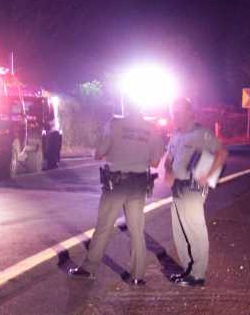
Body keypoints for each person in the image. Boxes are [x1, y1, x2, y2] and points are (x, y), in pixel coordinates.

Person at [69, 94, 164, 286]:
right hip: (138, 184)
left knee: (104, 227)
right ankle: (138, 276)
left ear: (124, 106)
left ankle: (89, 269)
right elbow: (154, 162)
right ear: (143, 106)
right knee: (137, 230)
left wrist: (97, 152)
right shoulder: (152, 129)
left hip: (116, 184)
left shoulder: (114, 125)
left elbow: (98, 154)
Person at [165, 97, 228, 287]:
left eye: (176, 113)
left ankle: (198, 273)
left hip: (192, 188)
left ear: (188, 113)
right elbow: (168, 160)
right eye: (171, 113)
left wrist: (208, 175)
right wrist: (168, 172)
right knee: (180, 231)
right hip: (177, 188)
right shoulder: (175, 135)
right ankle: (188, 270)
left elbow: (222, 152)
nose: (173, 117)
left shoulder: (201, 132)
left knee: (195, 230)